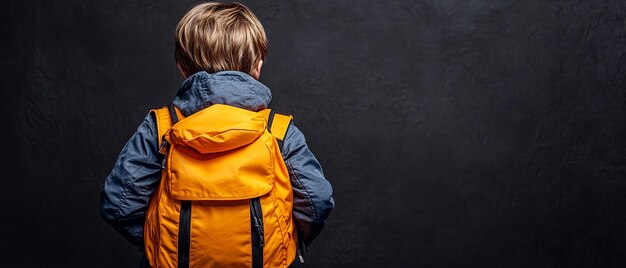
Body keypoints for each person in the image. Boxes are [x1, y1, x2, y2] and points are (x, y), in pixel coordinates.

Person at [100, 2, 334, 267]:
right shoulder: (279, 131)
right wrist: (282, 242)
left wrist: (164, 243)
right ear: (257, 66)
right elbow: (317, 202)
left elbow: (118, 206)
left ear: (182, 67)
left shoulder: (161, 128)